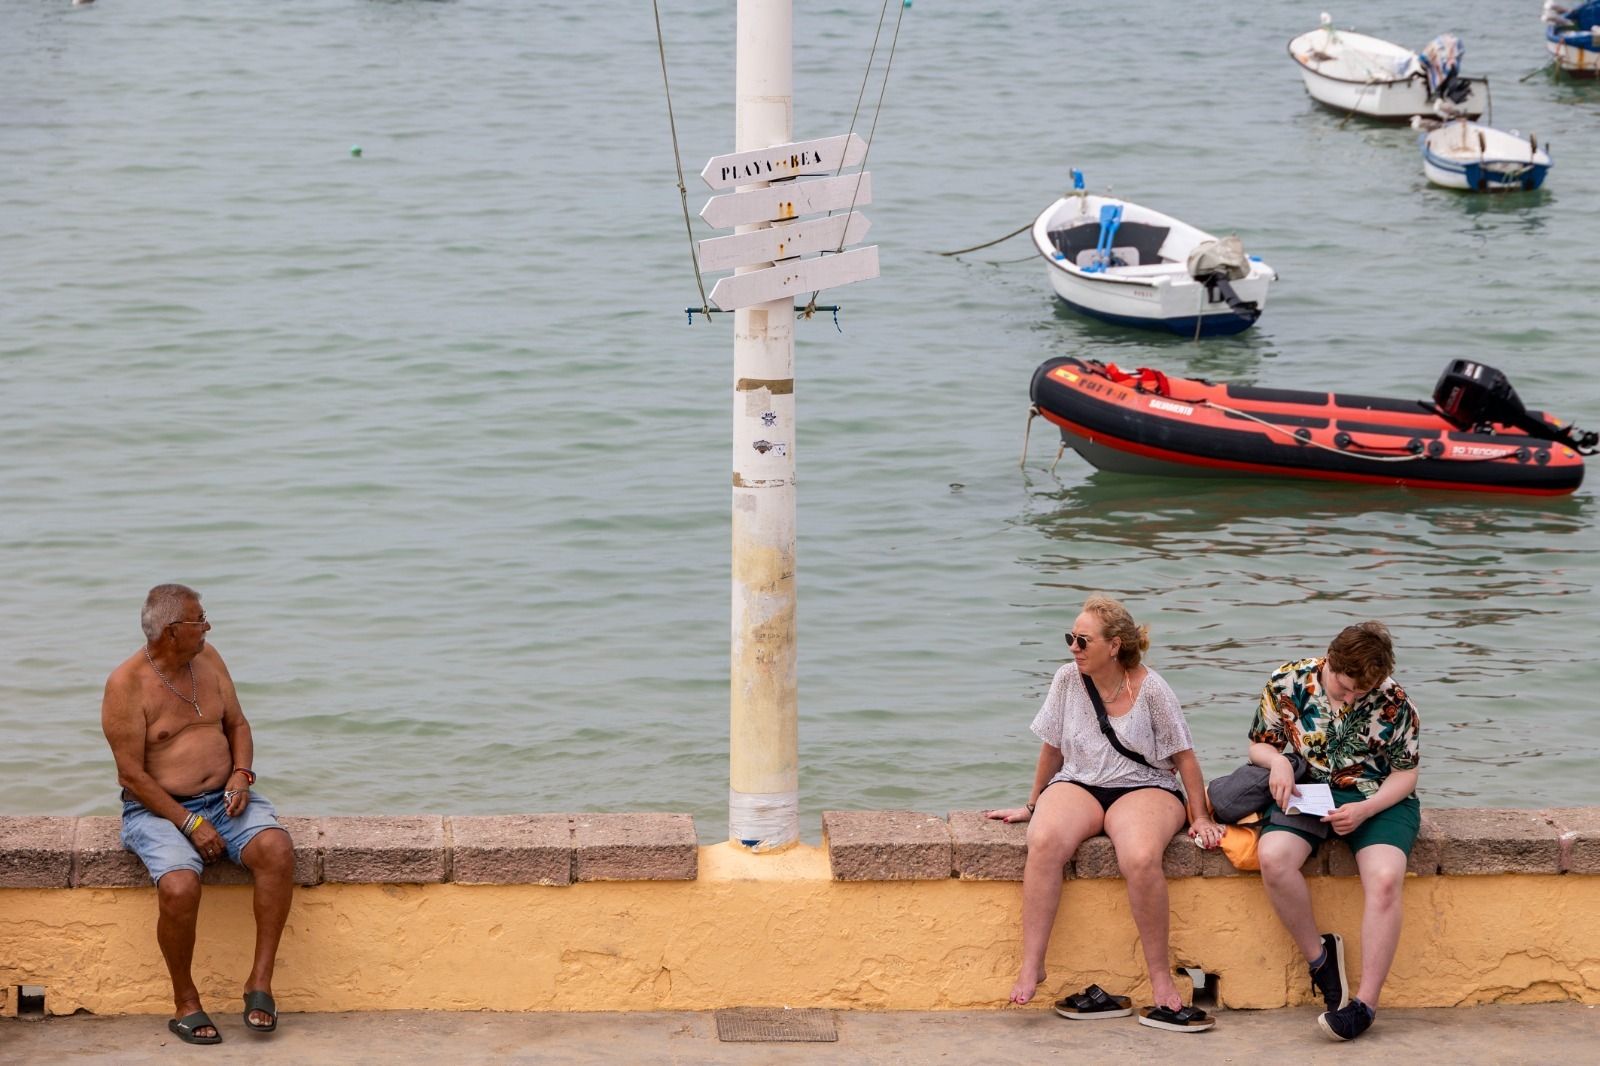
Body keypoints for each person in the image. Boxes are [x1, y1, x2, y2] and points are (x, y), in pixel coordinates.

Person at [987, 594, 1224, 1033]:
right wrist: (1031, 803)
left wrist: (1201, 815)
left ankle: (1158, 977)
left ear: (1114, 645)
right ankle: (1032, 964)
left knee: (1138, 856)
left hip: (1145, 786)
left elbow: (1185, 757)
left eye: (1082, 640)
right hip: (1078, 781)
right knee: (1042, 840)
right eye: (1070, 638)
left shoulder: (1151, 688)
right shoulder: (1066, 680)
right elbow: (1052, 746)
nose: (1073, 648)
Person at [101, 584, 295, 1044]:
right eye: (200, 620)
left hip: (227, 798)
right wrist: (188, 822)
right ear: (172, 631)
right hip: (158, 810)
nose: (208, 626)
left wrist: (242, 774)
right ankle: (186, 1001)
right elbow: (131, 775)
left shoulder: (209, 660)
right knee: (180, 885)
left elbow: (238, 724)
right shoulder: (126, 684)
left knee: (277, 849)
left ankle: (260, 984)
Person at [1246, 621, 1420, 1042]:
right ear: (1330, 661)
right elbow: (1259, 744)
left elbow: (1406, 775)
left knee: (1383, 880)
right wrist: (1279, 762)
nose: (1352, 698)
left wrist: (1365, 810)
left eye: (1363, 692)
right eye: (1345, 689)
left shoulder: (1395, 702)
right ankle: (1321, 960)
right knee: (1273, 858)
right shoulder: (1287, 681)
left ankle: (1364, 1005)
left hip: (1377, 798)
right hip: (1308, 791)